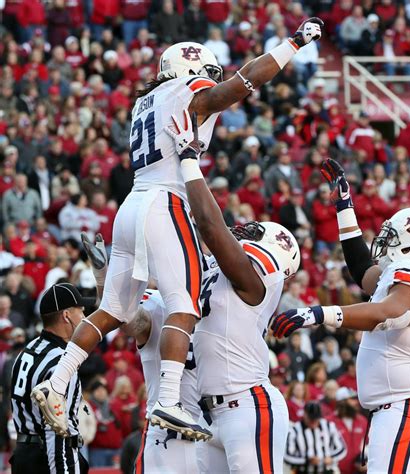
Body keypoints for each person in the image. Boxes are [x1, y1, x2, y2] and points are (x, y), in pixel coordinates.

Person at [32, 19, 324, 440]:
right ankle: (168, 399)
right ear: (196, 71)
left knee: (113, 309)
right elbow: (238, 86)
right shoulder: (189, 92)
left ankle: (57, 382)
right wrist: (292, 45)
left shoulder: (144, 102)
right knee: (183, 303)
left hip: (132, 204)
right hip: (165, 202)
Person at [272, 158, 410, 473]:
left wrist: (317, 313)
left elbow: (388, 314)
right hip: (402, 407)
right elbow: (362, 269)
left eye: (395, 237)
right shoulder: (399, 276)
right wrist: (345, 207)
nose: (385, 241)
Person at [166, 111, 301, 472]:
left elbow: (211, 226)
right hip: (212, 412)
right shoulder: (217, 271)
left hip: (249, 406)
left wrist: (190, 162)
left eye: (256, 232)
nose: (245, 229)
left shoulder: (258, 280)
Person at [82, 233, 200, 473]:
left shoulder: (214, 301)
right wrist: (103, 278)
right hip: (166, 428)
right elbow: (126, 319)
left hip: (209, 426)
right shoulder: (157, 303)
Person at [10, 283, 94, 473]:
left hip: (23, 453)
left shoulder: (26, 351)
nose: (85, 318)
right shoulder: (62, 362)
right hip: (48, 457)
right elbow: (57, 430)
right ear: (66, 315)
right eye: (80, 311)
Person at [285, 401, 347, 473]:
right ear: (305, 415)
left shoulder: (329, 426)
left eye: (316, 418)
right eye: (311, 418)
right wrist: (306, 460)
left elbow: (342, 448)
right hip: (303, 471)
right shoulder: (294, 430)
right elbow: (287, 456)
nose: (314, 421)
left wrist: (331, 458)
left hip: (326, 471)